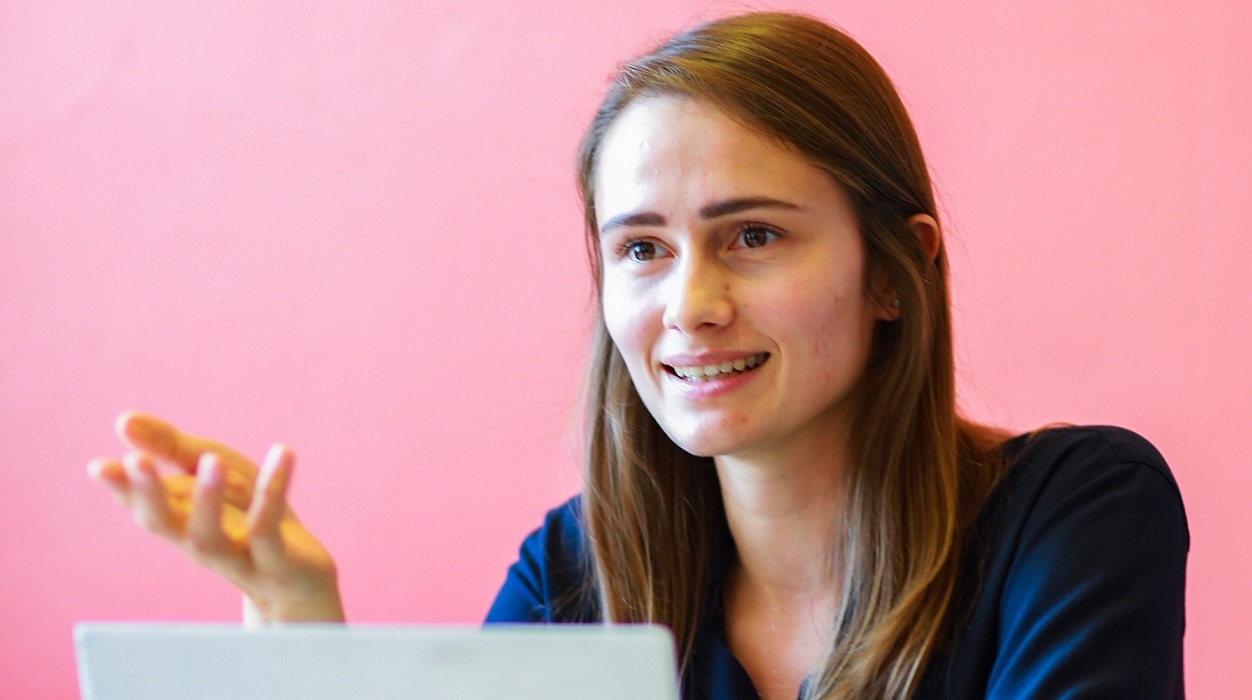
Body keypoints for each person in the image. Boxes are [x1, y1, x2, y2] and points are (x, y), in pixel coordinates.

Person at [88, 11, 1189, 699]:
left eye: (751, 236)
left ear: (896, 270)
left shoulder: (1075, 512)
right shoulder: (571, 576)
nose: (690, 303)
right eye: (642, 250)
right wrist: (299, 633)